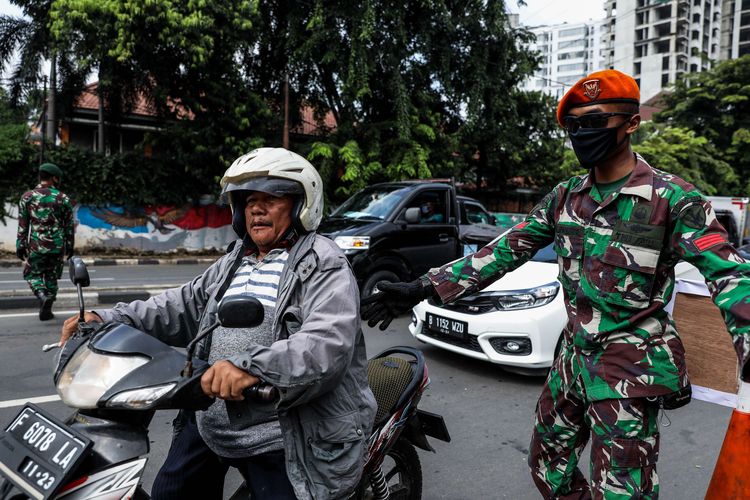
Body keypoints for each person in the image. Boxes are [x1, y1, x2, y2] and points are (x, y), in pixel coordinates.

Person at [362, 69, 750, 499]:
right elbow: (505, 250)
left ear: (632, 122)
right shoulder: (566, 197)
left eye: (595, 121)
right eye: (574, 125)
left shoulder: (673, 199)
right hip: (571, 360)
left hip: (629, 365)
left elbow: (728, 272)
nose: (583, 133)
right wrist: (422, 287)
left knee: (623, 492)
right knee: (547, 467)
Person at [59, 147, 377, 500]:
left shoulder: (324, 262)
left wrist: (252, 367)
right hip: (213, 420)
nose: (256, 208)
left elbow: (325, 343)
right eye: (248, 200)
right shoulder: (234, 261)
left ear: (301, 203)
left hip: (282, 431)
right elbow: (180, 305)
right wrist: (108, 318)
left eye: (270, 198)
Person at [16, 163, 75, 321]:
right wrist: (70, 245)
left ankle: (42, 295)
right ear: (54, 178)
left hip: (37, 246)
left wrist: (20, 244)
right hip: (57, 246)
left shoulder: (27, 197)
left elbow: (23, 224)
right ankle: (47, 308)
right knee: (51, 276)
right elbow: (69, 225)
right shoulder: (63, 198)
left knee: (31, 273)